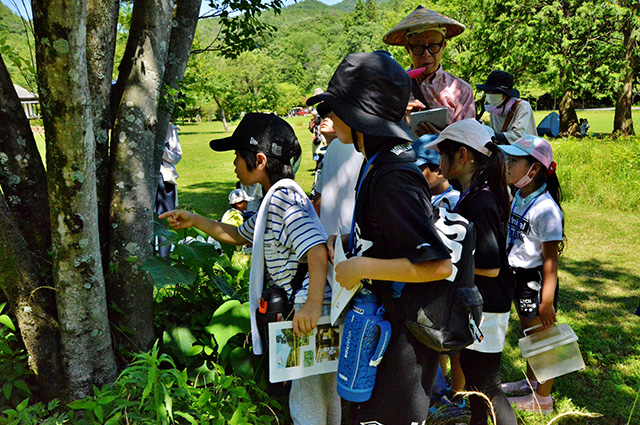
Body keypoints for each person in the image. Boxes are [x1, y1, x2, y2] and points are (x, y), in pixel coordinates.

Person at [159, 113, 340, 425]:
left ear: (258, 160)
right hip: (309, 312)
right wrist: (195, 220)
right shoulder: (276, 198)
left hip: (308, 314)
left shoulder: (284, 199)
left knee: (306, 401)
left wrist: (310, 306)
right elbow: (240, 234)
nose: (233, 163)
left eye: (236, 156)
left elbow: (316, 250)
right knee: (321, 396)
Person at [308, 51, 453, 425]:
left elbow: (437, 264)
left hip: (399, 346)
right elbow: (388, 234)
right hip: (382, 332)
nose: (329, 117)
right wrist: (346, 241)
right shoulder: (378, 161)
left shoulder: (393, 175)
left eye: (334, 108)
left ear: (359, 115)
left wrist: (359, 266)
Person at [425, 119, 517, 425]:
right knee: (476, 386)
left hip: (488, 307)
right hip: (479, 305)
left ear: (462, 155)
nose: (439, 163)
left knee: (487, 384)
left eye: (443, 155)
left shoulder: (481, 201)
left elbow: (491, 267)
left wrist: (446, 267)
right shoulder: (474, 194)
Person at [497, 135, 564, 415]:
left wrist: (546, 302)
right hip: (519, 277)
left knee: (542, 340)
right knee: (529, 334)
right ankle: (530, 384)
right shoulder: (520, 197)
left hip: (536, 281)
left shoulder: (546, 209)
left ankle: (543, 401)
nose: (507, 165)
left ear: (533, 170)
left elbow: (550, 262)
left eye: (514, 161)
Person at [383, 6, 476, 133]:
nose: (426, 54)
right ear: (408, 49)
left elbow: (469, 140)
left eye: (433, 46)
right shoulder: (394, 88)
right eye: (418, 47)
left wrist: (446, 139)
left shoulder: (462, 91)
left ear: (443, 46)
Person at [312, 101, 363, 235]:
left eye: (333, 114)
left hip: (334, 238)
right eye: (326, 116)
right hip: (351, 239)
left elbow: (318, 202)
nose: (328, 119)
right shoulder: (337, 147)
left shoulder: (338, 147)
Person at [476, 70, 537, 144]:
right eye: (486, 91)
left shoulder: (522, 107)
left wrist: (489, 132)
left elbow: (517, 136)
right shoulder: (494, 110)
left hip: (523, 151)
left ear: (504, 94)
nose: (488, 94)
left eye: (491, 91)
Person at [155, 122, 182, 258]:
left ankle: (164, 259)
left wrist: (161, 150)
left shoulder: (169, 128)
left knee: (165, 219)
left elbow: (177, 156)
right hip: (142, 180)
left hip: (164, 178)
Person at [413, 135, 460, 211]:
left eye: (419, 169)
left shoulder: (454, 203)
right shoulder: (417, 196)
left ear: (440, 172)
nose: (413, 174)